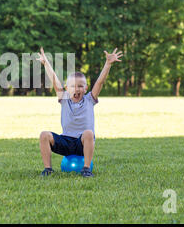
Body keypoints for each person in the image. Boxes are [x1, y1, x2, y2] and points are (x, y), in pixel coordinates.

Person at [36, 47, 123, 177]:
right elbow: (54, 79)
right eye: (72, 86)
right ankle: (48, 169)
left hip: (82, 144)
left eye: (80, 86)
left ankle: (86, 169)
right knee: (44, 135)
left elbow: (100, 82)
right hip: (66, 142)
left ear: (86, 88)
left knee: (88, 133)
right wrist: (46, 63)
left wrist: (108, 64)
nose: (76, 89)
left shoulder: (89, 99)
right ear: (66, 88)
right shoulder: (64, 98)